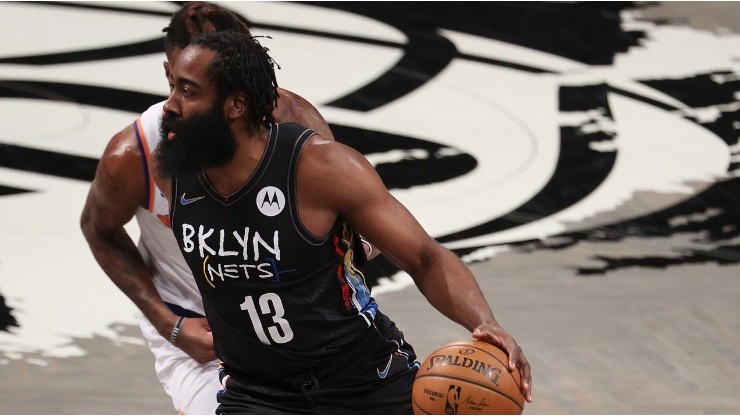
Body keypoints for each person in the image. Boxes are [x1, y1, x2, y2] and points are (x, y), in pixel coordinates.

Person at [152, 29, 532, 414]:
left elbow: (424, 257)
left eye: (188, 91)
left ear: (235, 105)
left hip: (361, 379)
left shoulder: (320, 168)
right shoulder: (172, 171)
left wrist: (485, 323)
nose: (169, 105)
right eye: (172, 88)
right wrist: (168, 322)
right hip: (258, 392)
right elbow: (103, 230)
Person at [79, 2, 377, 413]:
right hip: (200, 334)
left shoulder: (292, 118)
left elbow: (355, 222)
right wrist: (171, 326)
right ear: (172, 74)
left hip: (298, 322)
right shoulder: (135, 154)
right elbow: (99, 230)